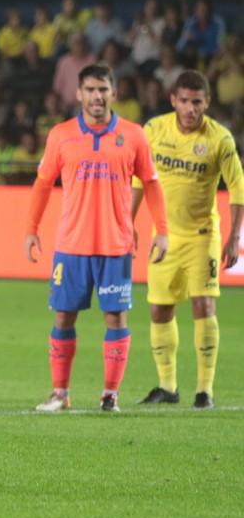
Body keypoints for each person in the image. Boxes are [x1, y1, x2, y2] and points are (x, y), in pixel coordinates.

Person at [25, 63, 169, 412]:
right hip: (71, 245)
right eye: (90, 89)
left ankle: (110, 395)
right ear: (78, 94)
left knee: (116, 318)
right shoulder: (61, 135)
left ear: (113, 93)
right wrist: (31, 229)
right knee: (63, 317)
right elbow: (43, 184)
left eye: (103, 89)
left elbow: (152, 183)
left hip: (115, 245)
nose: (97, 96)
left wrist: (162, 231)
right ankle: (60, 394)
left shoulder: (133, 135)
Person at [132, 71, 244, 409]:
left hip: (202, 236)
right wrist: (127, 221)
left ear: (207, 102)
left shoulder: (220, 139)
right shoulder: (154, 130)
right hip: (164, 237)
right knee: (159, 308)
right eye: (184, 101)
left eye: (197, 102)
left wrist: (234, 236)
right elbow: (139, 178)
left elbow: (237, 188)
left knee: (203, 305)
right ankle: (167, 386)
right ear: (173, 101)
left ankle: (204, 391)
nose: (190, 108)